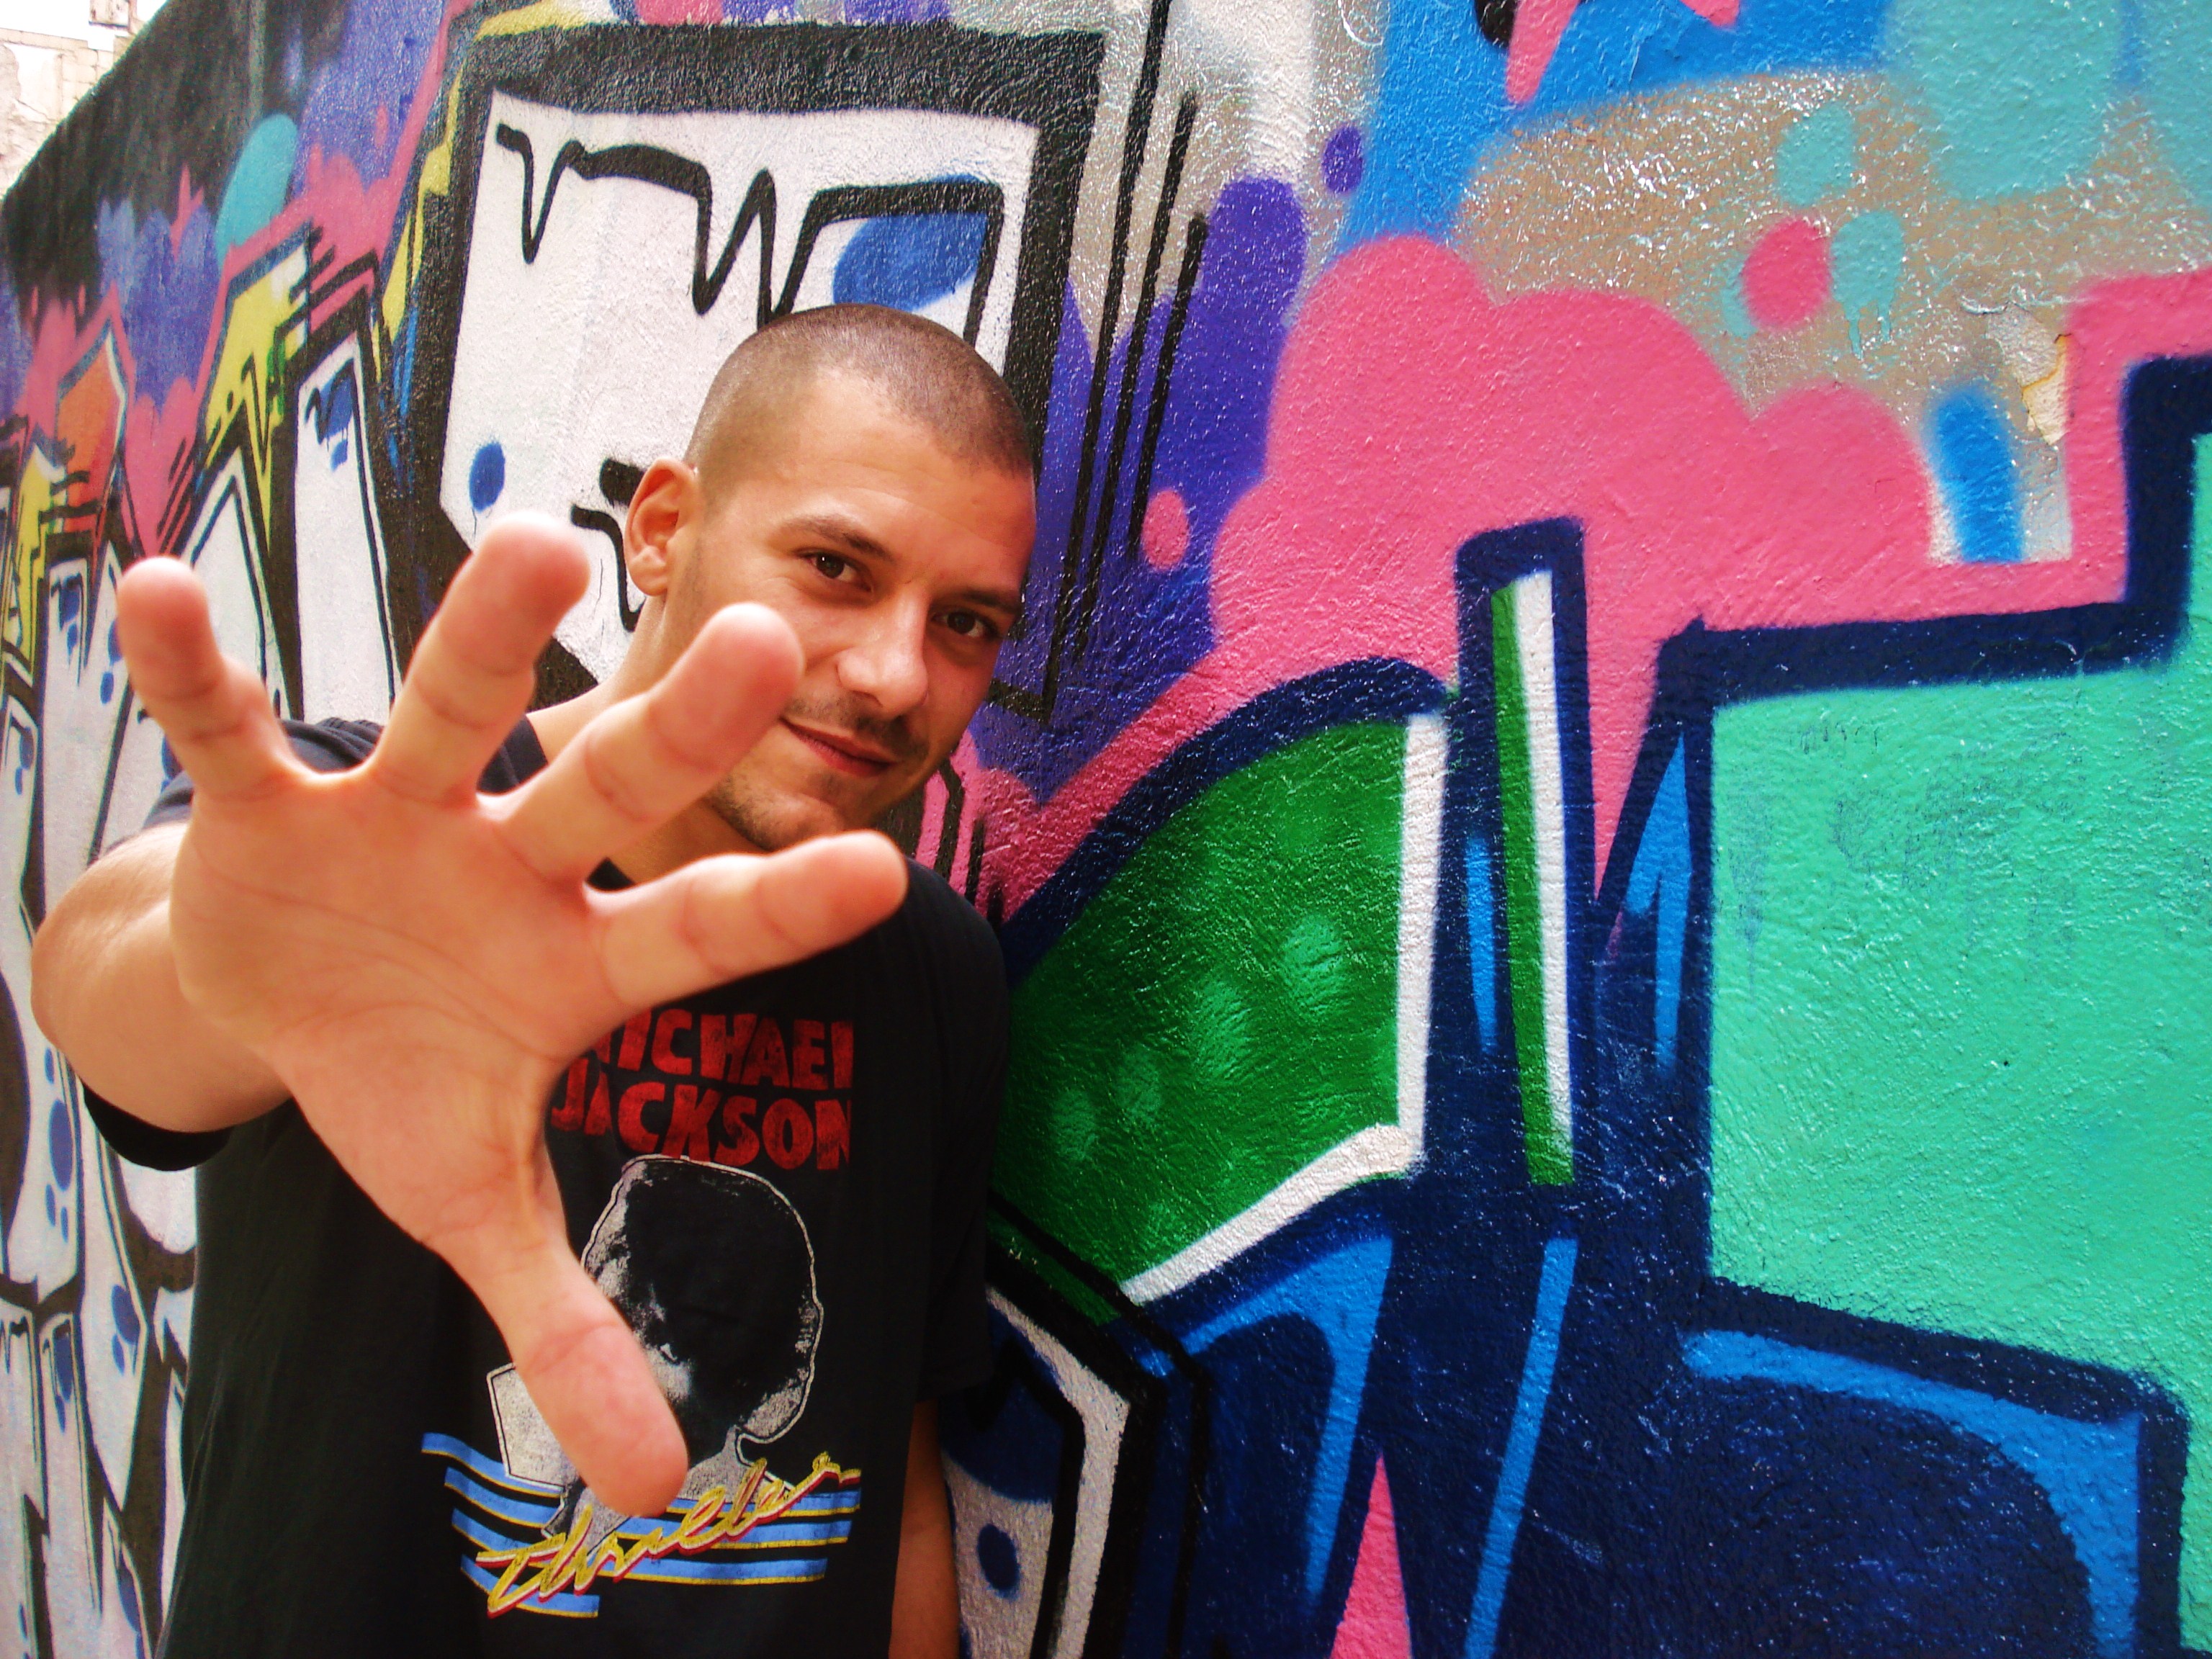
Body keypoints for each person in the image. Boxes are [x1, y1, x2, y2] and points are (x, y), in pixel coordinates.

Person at [30, 303, 1035, 1658]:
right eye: (836, 567)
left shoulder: (940, 972)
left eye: (965, 622)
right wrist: (236, 968)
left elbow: (896, 1489)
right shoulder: (374, 849)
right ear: (662, 530)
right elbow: (105, 987)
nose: (898, 675)